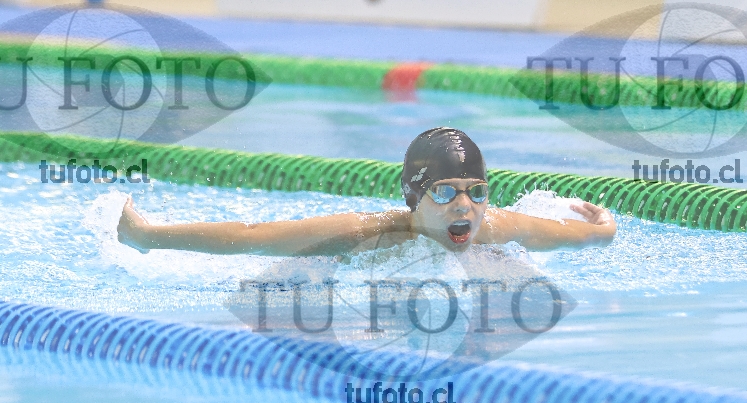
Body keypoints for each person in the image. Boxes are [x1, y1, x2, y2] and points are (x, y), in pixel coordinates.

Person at [117, 127, 616, 256]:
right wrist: (147, 236)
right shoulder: (366, 233)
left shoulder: (498, 228)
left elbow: (585, 236)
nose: (466, 206)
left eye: (477, 192)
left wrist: (602, 229)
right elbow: (251, 236)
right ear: (414, 198)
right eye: (445, 192)